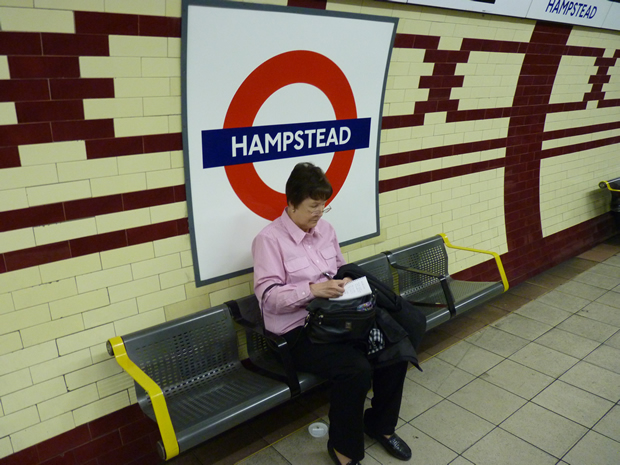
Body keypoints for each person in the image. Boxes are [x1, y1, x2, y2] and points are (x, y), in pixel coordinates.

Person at [252, 162, 414, 465]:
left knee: (395, 348)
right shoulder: (269, 240)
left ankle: (380, 426)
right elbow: (269, 299)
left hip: (338, 319)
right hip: (296, 332)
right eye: (313, 206)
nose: (318, 214)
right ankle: (344, 448)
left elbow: (338, 268)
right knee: (355, 369)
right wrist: (312, 290)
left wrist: (345, 281)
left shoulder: (325, 230)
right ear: (291, 202)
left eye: (323, 206)